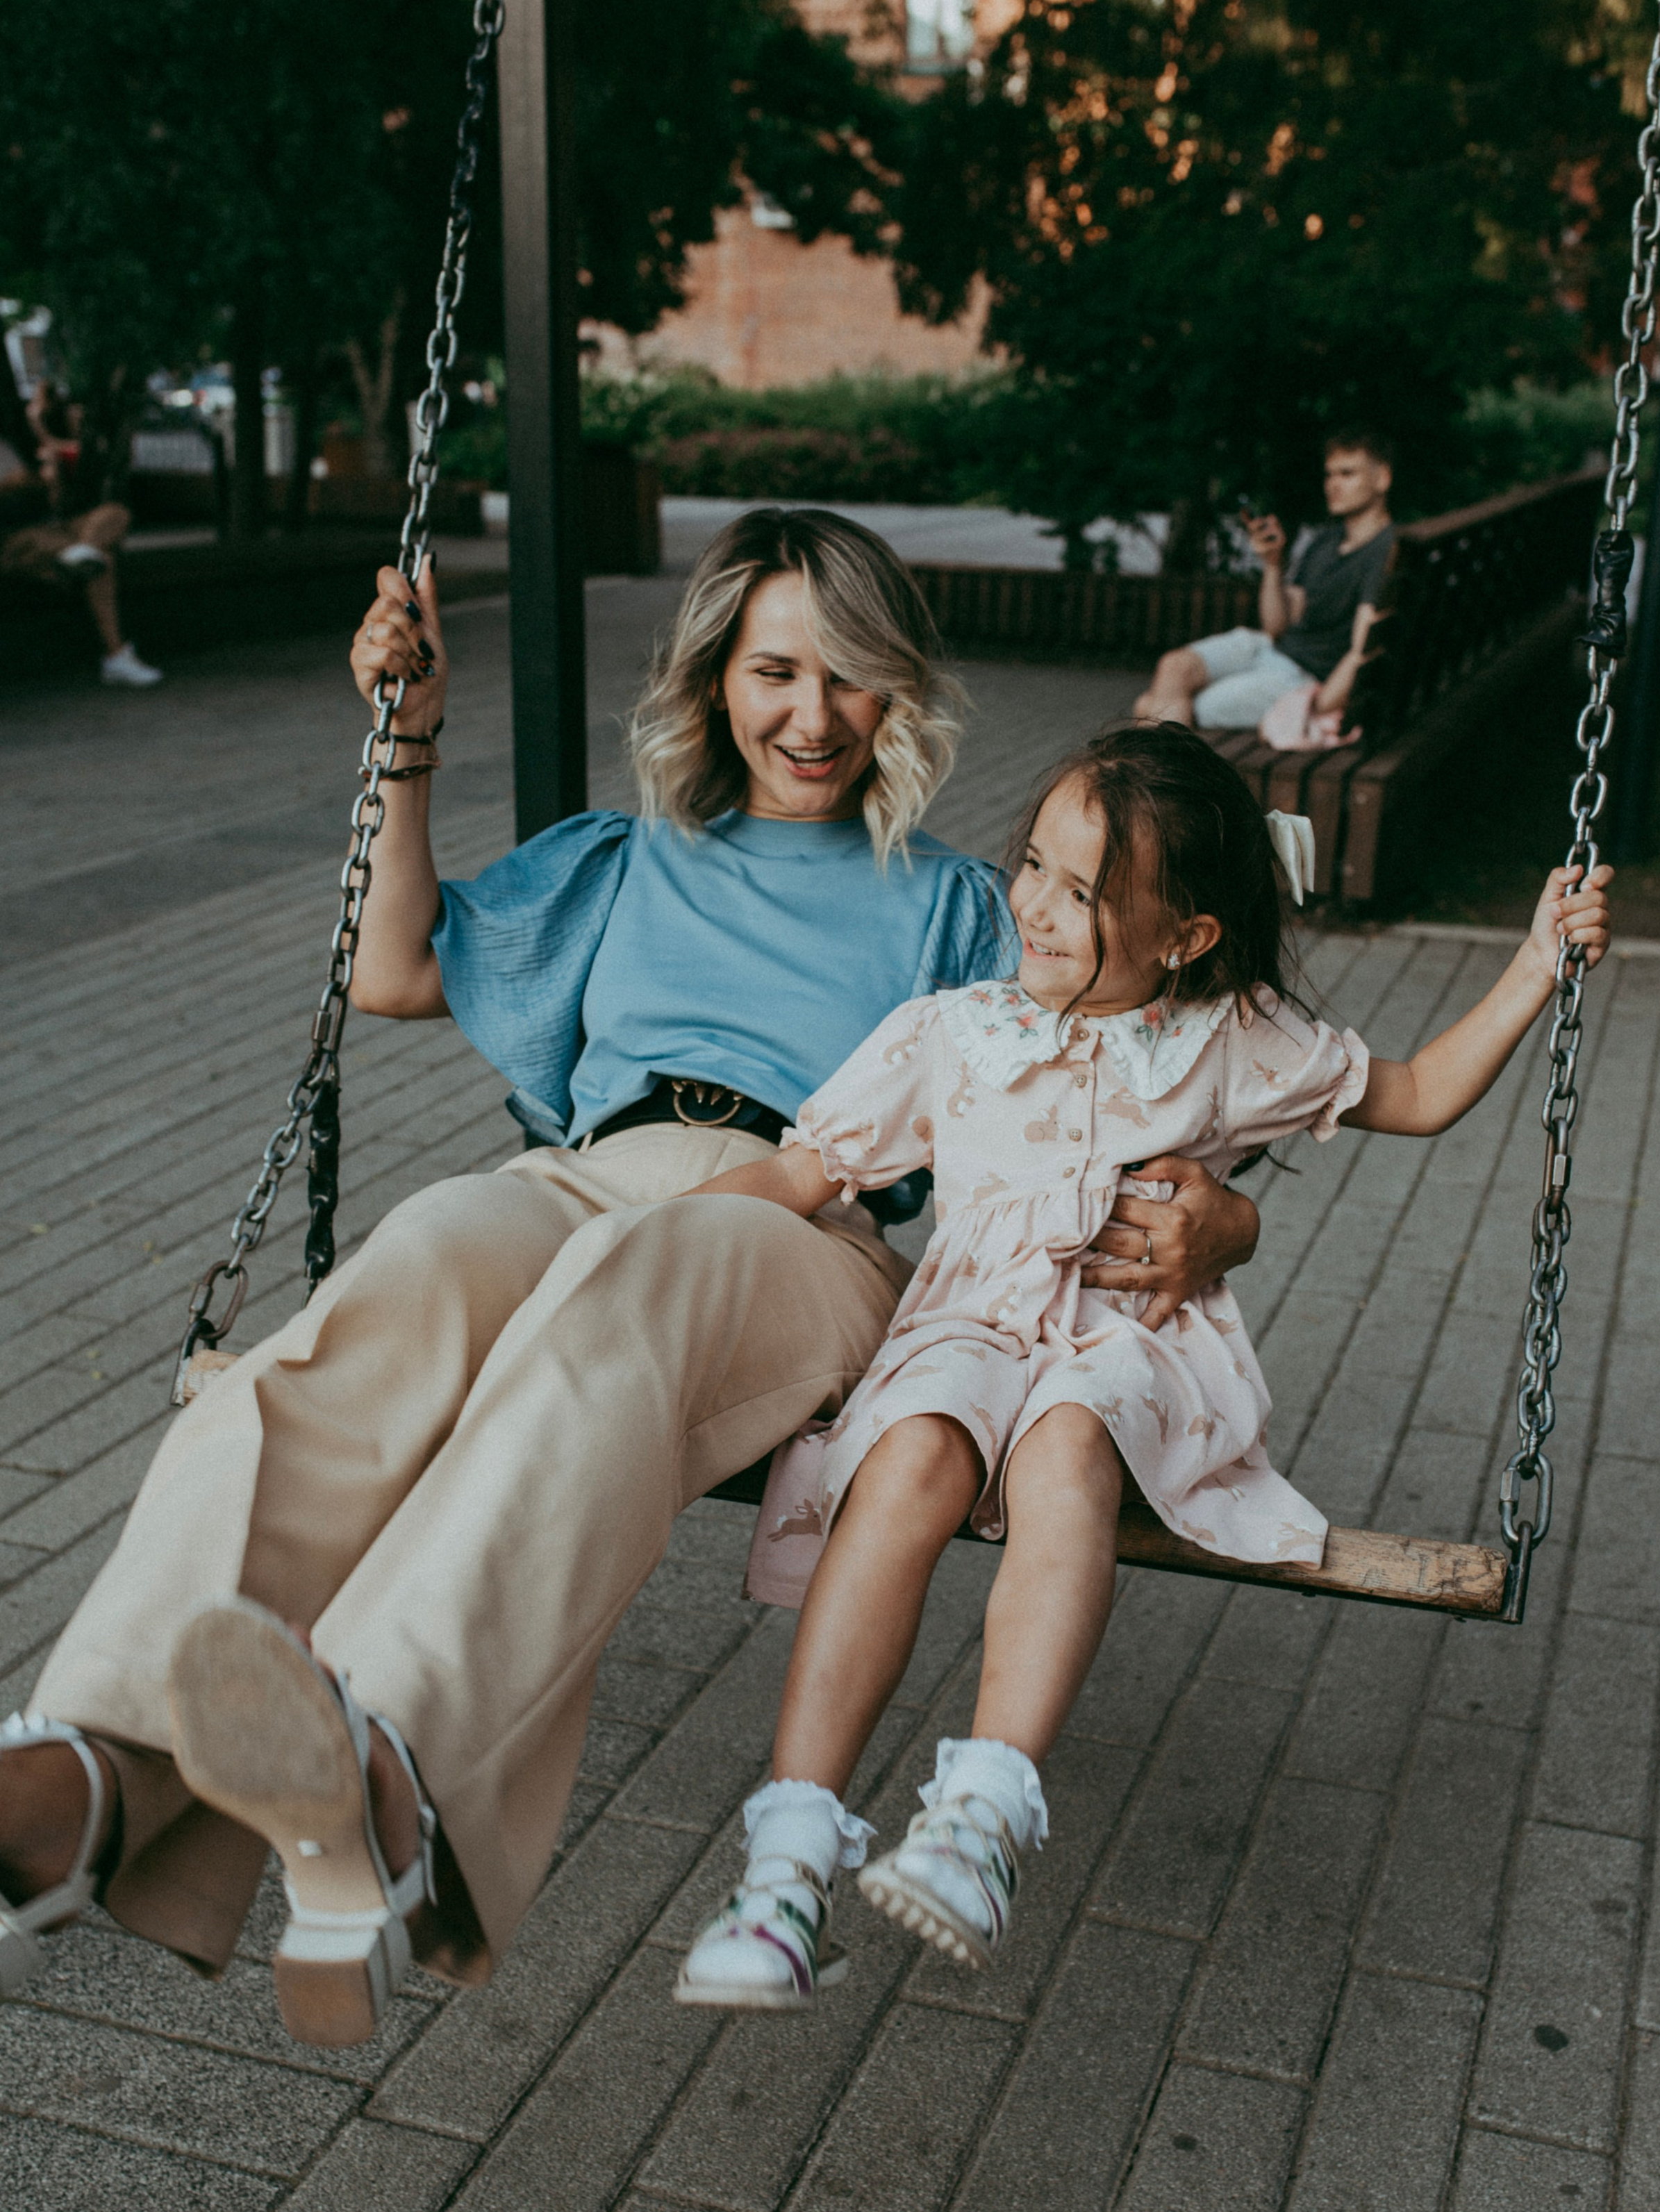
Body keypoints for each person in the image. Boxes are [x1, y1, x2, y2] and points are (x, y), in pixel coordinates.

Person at [0, 508, 1262, 2044]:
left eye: (852, 679)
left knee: (630, 1291)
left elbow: (1138, 1069)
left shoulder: (955, 910)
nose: (812, 718)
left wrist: (1224, 1222)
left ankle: (391, 1771)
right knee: (404, 1272)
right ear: (714, 678)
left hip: (802, 1230)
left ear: (897, 699)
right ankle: (88, 1764)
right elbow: (394, 970)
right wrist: (409, 742)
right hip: (584, 1176)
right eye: (775, 672)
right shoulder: (621, 860)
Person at [672, 723, 1612, 2006]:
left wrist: (1535, 965)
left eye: (1088, 895)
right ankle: (784, 1869)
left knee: (1068, 1447)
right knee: (905, 1458)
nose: (1040, 910)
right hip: (966, 1330)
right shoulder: (950, 1031)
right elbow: (801, 1171)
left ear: (1187, 936)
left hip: (1127, 1343)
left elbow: (1418, 1092)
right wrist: (642, 1253)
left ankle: (982, 1821)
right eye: (1039, 869)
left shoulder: (1228, 1038)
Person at [1134, 431, 1395, 733]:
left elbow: (1364, 649)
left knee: (1151, 707)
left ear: (1382, 479)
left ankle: (1170, 777)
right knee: (1173, 666)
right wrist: (1273, 565)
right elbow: (1277, 626)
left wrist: (1318, 706)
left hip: (1301, 676)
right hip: (1267, 649)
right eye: (1330, 475)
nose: (1333, 484)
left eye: (1347, 474)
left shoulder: (1385, 552)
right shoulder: (1326, 541)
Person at [0, 397, 163, 687]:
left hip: (57, 524)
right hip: (16, 534)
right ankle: (116, 655)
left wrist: (52, 477)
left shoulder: (13, 443)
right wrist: (13, 484)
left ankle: (82, 552)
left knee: (115, 513)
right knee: (102, 563)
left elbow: (58, 502)